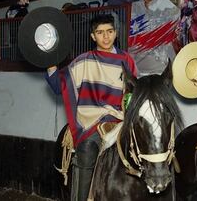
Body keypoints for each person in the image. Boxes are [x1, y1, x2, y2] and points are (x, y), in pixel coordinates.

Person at [45, 14, 137, 201]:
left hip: (120, 120)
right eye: (100, 32)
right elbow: (58, 86)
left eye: (110, 31)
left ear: (116, 33)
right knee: (86, 152)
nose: (106, 37)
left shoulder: (127, 60)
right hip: (92, 122)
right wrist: (49, 63)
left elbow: (134, 92)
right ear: (92, 36)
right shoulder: (84, 60)